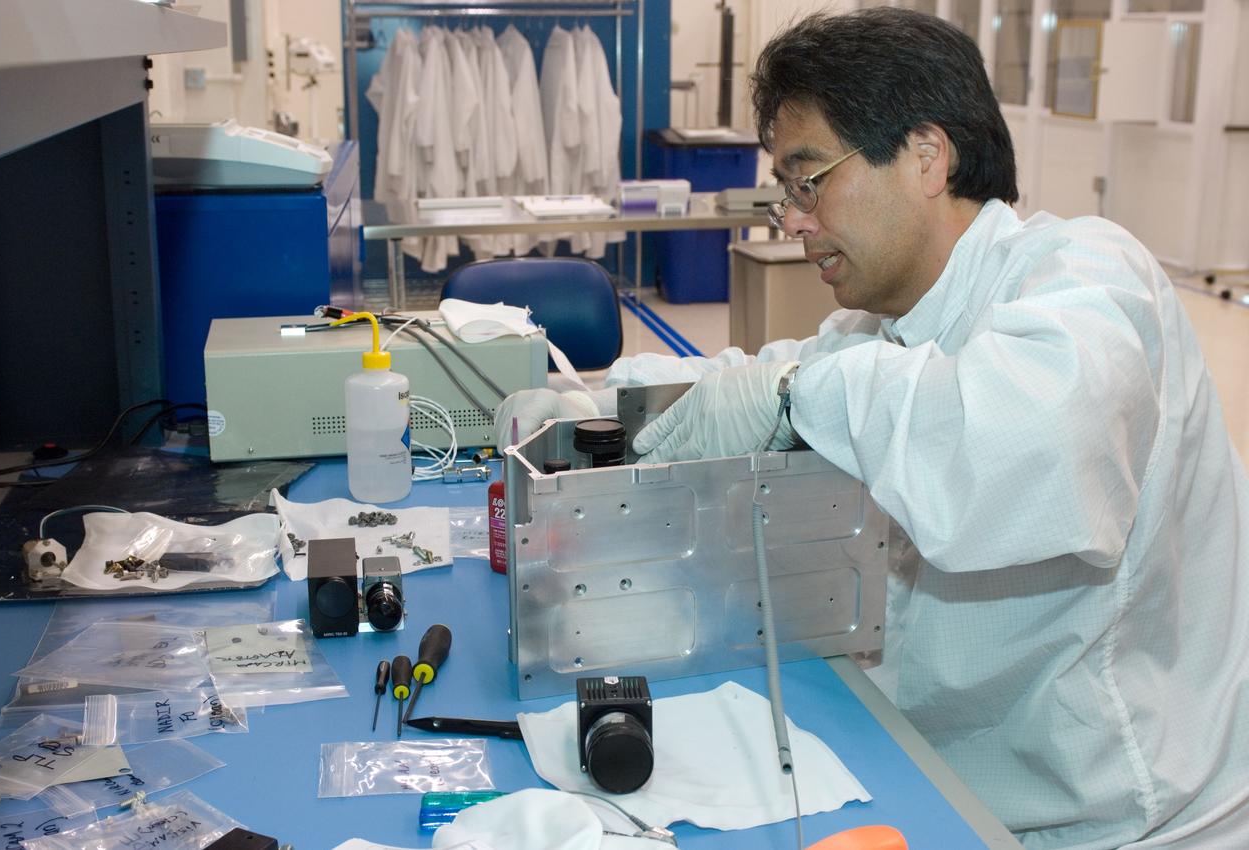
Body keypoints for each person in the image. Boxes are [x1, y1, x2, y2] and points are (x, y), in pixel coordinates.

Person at [495, 8, 1249, 849]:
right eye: (785, 194)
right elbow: (771, 376)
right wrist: (601, 403)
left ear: (926, 156)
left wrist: (791, 392)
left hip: (1124, 818)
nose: (793, 220)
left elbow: (1026, 446)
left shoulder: (1092, 276)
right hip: (946, 772)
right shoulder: (884, 324)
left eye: (809, 181)